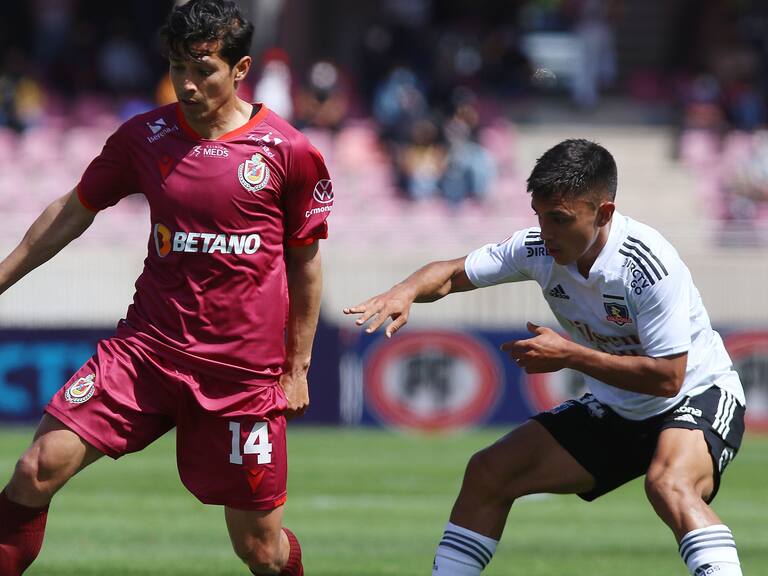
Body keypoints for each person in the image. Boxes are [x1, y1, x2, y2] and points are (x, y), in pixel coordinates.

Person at [0, 1, 333, 574]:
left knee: (260, 550)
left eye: (202, 68)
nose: (187, 82)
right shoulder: (145, 137)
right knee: (35, 469)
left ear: (239, 68)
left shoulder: (290, 153)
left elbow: (305, 264)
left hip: (240, 375)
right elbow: (73, 211)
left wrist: (297, 366)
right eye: (178, 65)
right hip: (145, 352)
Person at [344, 139, 746, 576]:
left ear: (604, 213)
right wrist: (406, 291)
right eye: (539, 216)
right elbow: (452, 274)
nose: (546, 231)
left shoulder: (645, 266)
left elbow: (669, 377)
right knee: (489, 472)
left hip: (695, 395)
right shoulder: (538, 248)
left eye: (560, 219)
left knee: (670, 485)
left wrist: (571, 355)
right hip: (619, 407)